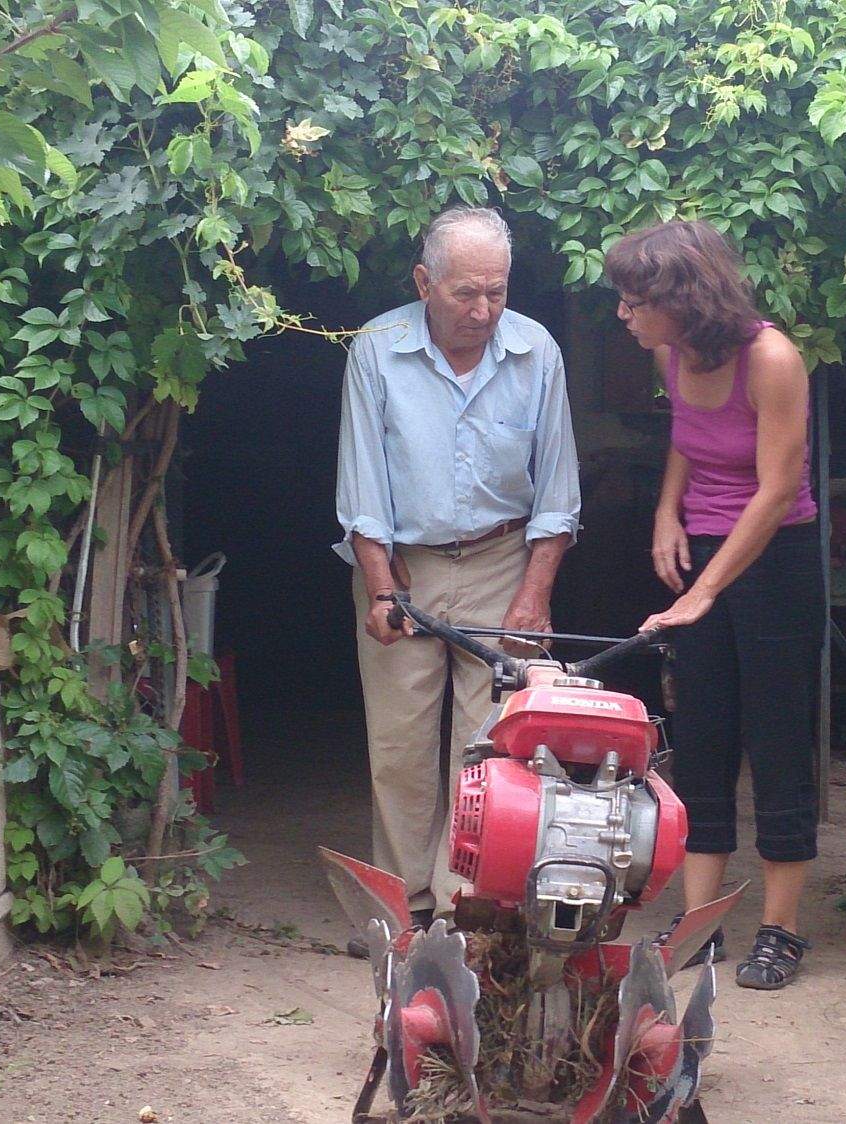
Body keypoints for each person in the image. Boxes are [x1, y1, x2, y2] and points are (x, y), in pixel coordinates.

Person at [336, 207, 581, 925]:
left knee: (492, 747)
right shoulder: (377, 348)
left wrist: (535, 595)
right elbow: (362, 483)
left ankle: (467, 904)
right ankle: (403, 906)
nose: (482, 311)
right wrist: (380, 588)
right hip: (403, 568)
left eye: (496, 292)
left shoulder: (536, 351)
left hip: (505, 560)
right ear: (424, 283)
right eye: (465, 293)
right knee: (399, 744)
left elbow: (558, 492)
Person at [604, 219, 823, 990]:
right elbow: (688, 436)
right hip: (703, 548)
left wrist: (705, 591)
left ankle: (780, 929)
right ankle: (702, 924)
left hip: (775, 560)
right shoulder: (670, 353)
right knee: (702, 736)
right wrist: (668, 512)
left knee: (777, 739)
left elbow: (777, 492)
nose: (623, 315)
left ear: (682, 299)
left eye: (635, 302)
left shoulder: (772, 359)